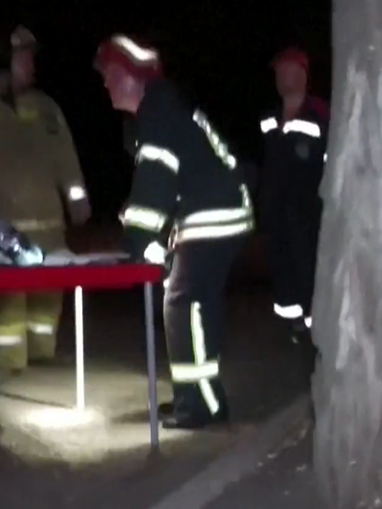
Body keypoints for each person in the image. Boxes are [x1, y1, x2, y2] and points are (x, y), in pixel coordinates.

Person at [95, 34, 254, 429]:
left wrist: (137, 236)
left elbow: (156, 178)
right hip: (219, 210)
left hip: (213, 214)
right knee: (195, 304)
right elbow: (162, 180)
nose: (105, 83)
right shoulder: (161, 107)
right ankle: (201, 398)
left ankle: (197, 405)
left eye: (111, 74)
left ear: (134, 76)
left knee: (182, 302)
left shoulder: (158, 110)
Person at [0, 25, 91, 381]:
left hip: (51, 230)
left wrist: (78, 201)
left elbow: (66, 159)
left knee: (49, 295)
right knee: (8, 299)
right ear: (1, 60)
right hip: (4, 235)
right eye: (23, 57)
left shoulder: (46, 108)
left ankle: (42, 354)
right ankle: (7, 362)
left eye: (33, 56)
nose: (32, 64)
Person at [259, 47, 329, 339]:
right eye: (279, 72)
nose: (283, 78)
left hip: (308, 215)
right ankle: (294, 330)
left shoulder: (321, 115)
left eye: (288, 71)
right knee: (284, 276)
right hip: (277, 218)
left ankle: (318, 335)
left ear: (302, 75)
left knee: (310, 275)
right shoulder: (269, 119)